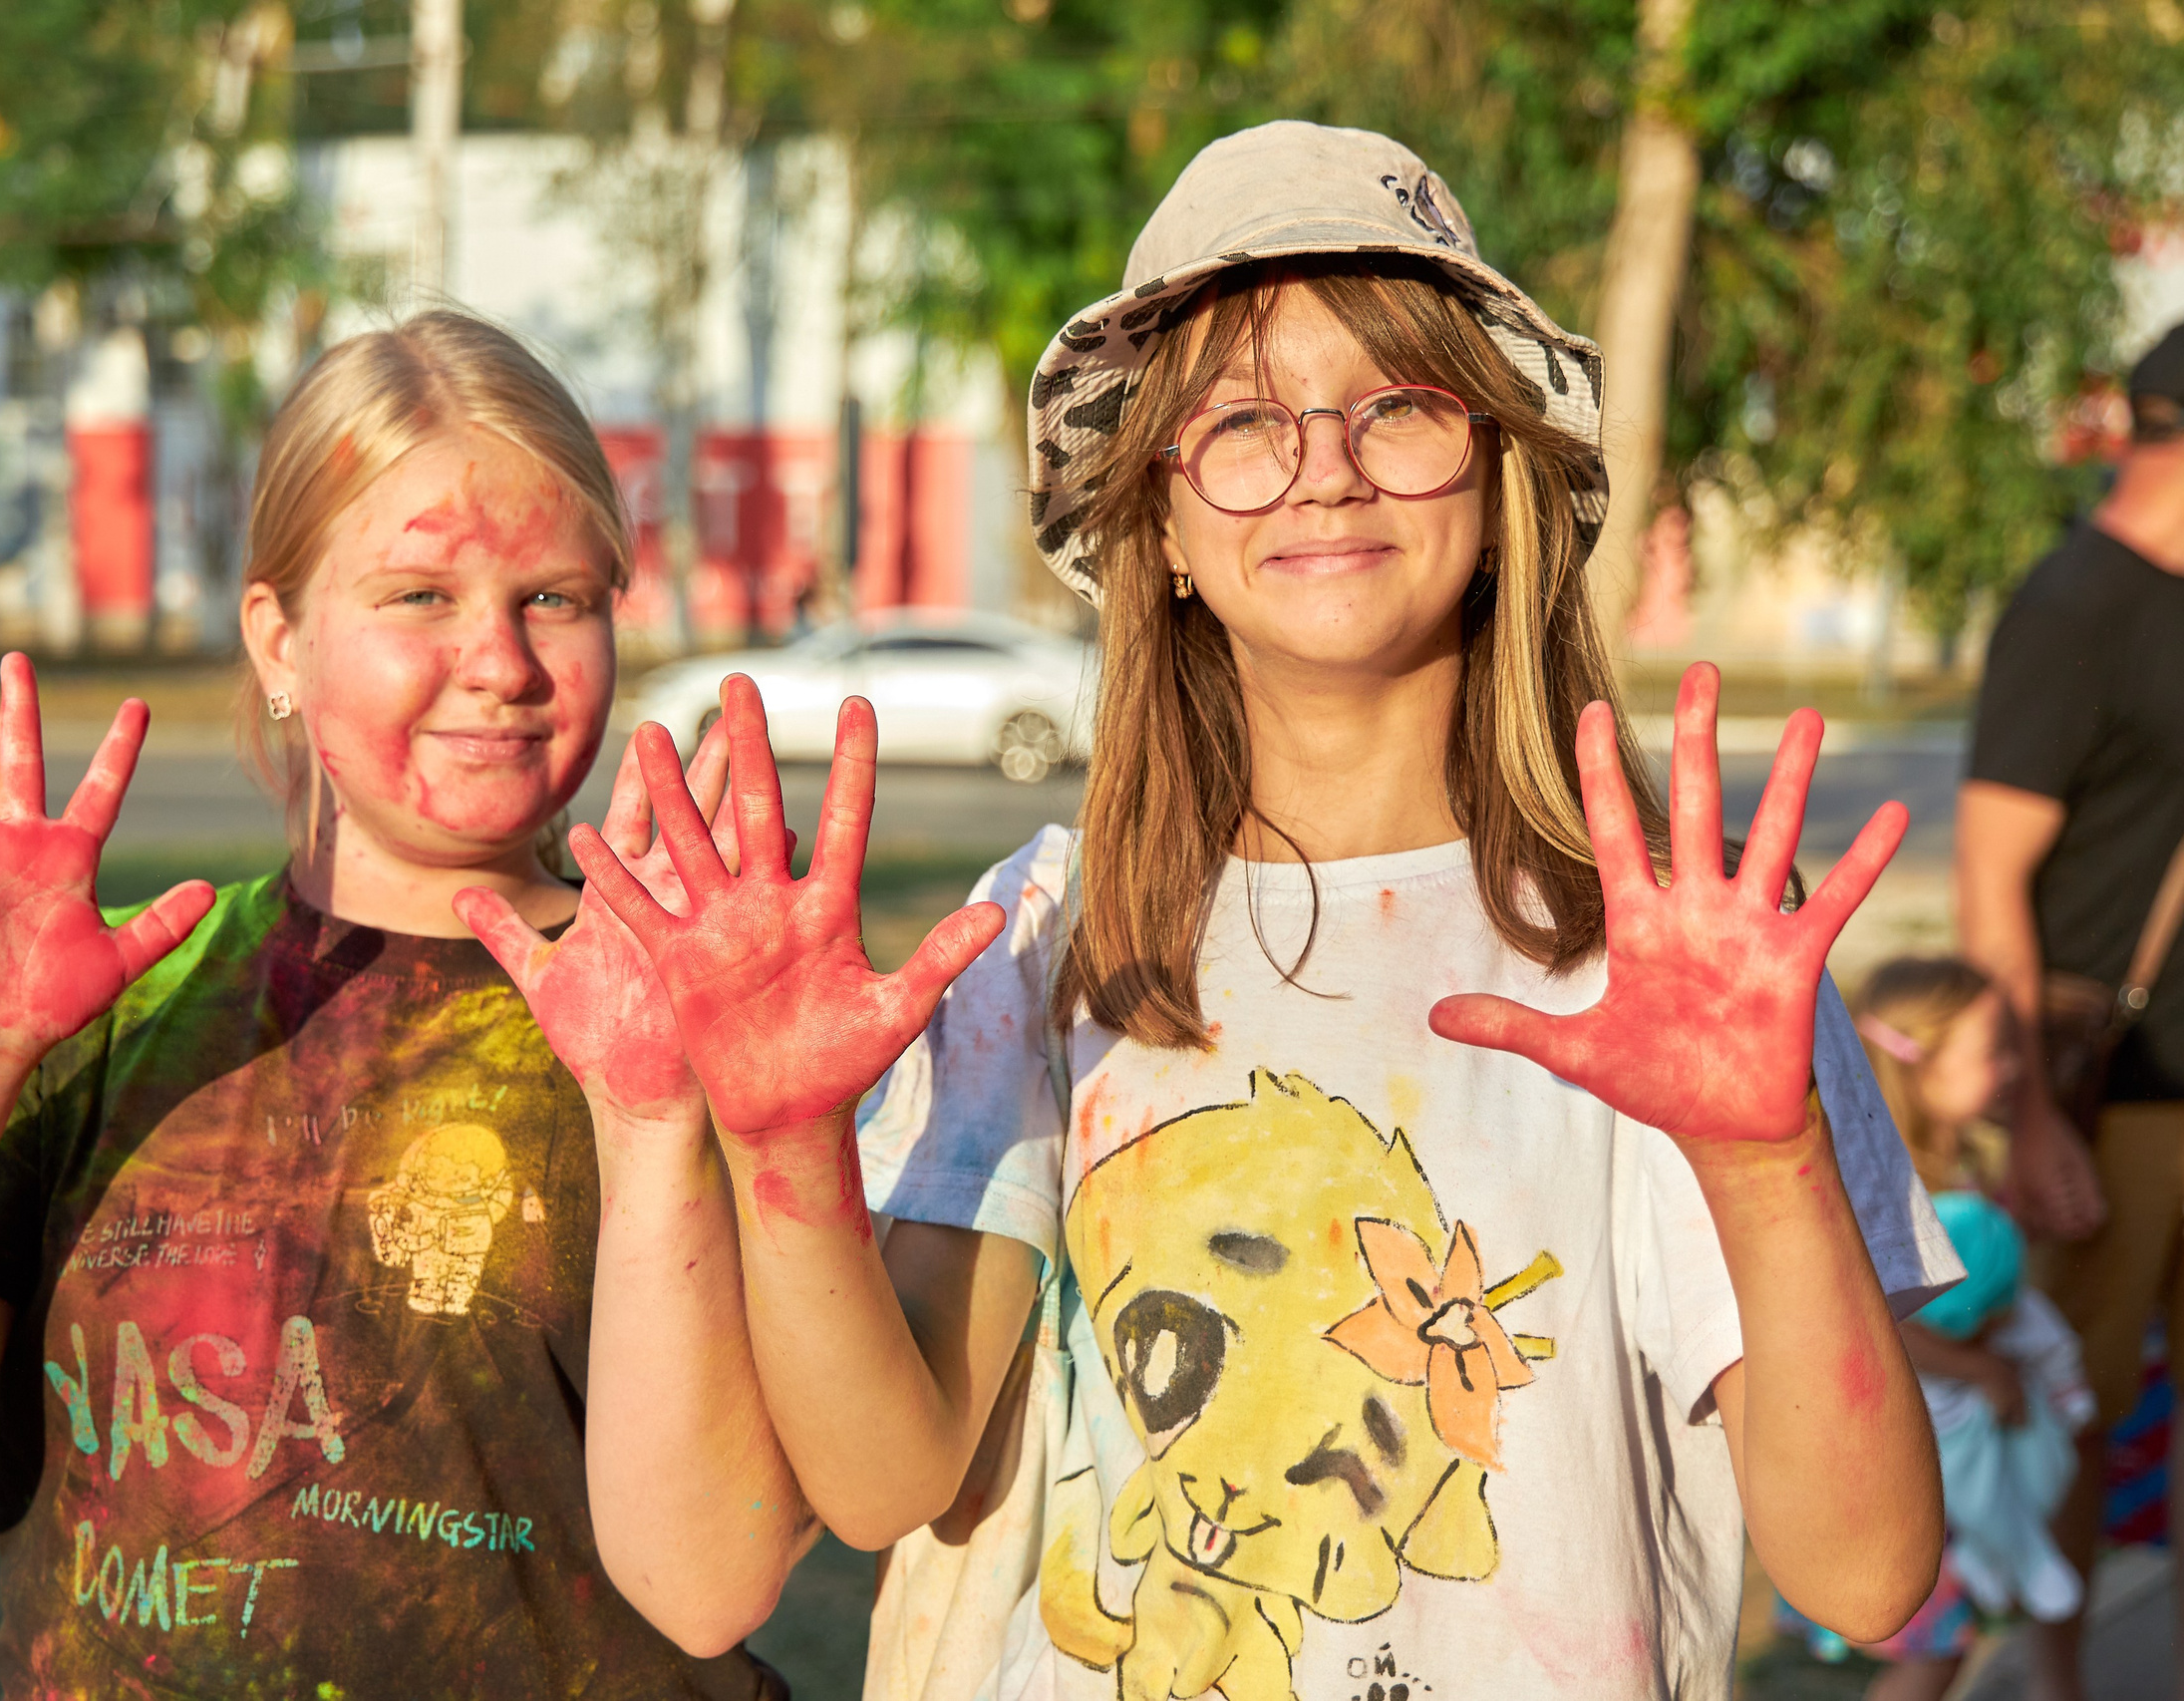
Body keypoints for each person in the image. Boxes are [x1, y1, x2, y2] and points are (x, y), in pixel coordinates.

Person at [581, 124, 1959, 1698]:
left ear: (1502, 476)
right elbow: (887, 1477)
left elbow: (1868, 1575)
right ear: (1156, 526)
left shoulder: (1679, 950)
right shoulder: (1045, 936)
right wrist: (778, 1151)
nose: (1325, 465)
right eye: (1242, 422)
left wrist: (1766, 1159)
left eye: (1401, 406)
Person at [0, 311, 810, 1698]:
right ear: (279, 637)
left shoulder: (698, 1005)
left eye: (556, 597)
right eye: (420, 596)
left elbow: (711, 1585)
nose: (503, 662)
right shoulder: (128, 1011)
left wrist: (656, 1115)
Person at [1957, 323, 2184, 1699]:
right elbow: (1990, 877)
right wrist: (2031, 1114)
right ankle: (2053, 1679)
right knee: (2078, 1411)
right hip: (2120, 1097)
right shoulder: (2073, 606)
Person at [1829, 959, 2095, 1701]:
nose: (2015, 1068)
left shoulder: (1953, 1173)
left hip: (1953, 1459)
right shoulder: (1898, 1204)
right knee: (1935, 1654)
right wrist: (1986, 1371)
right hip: (1922, 1466)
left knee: (1952, 1644)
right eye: (1992, 1052)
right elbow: (1889, 1327)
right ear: (1917, 1066)